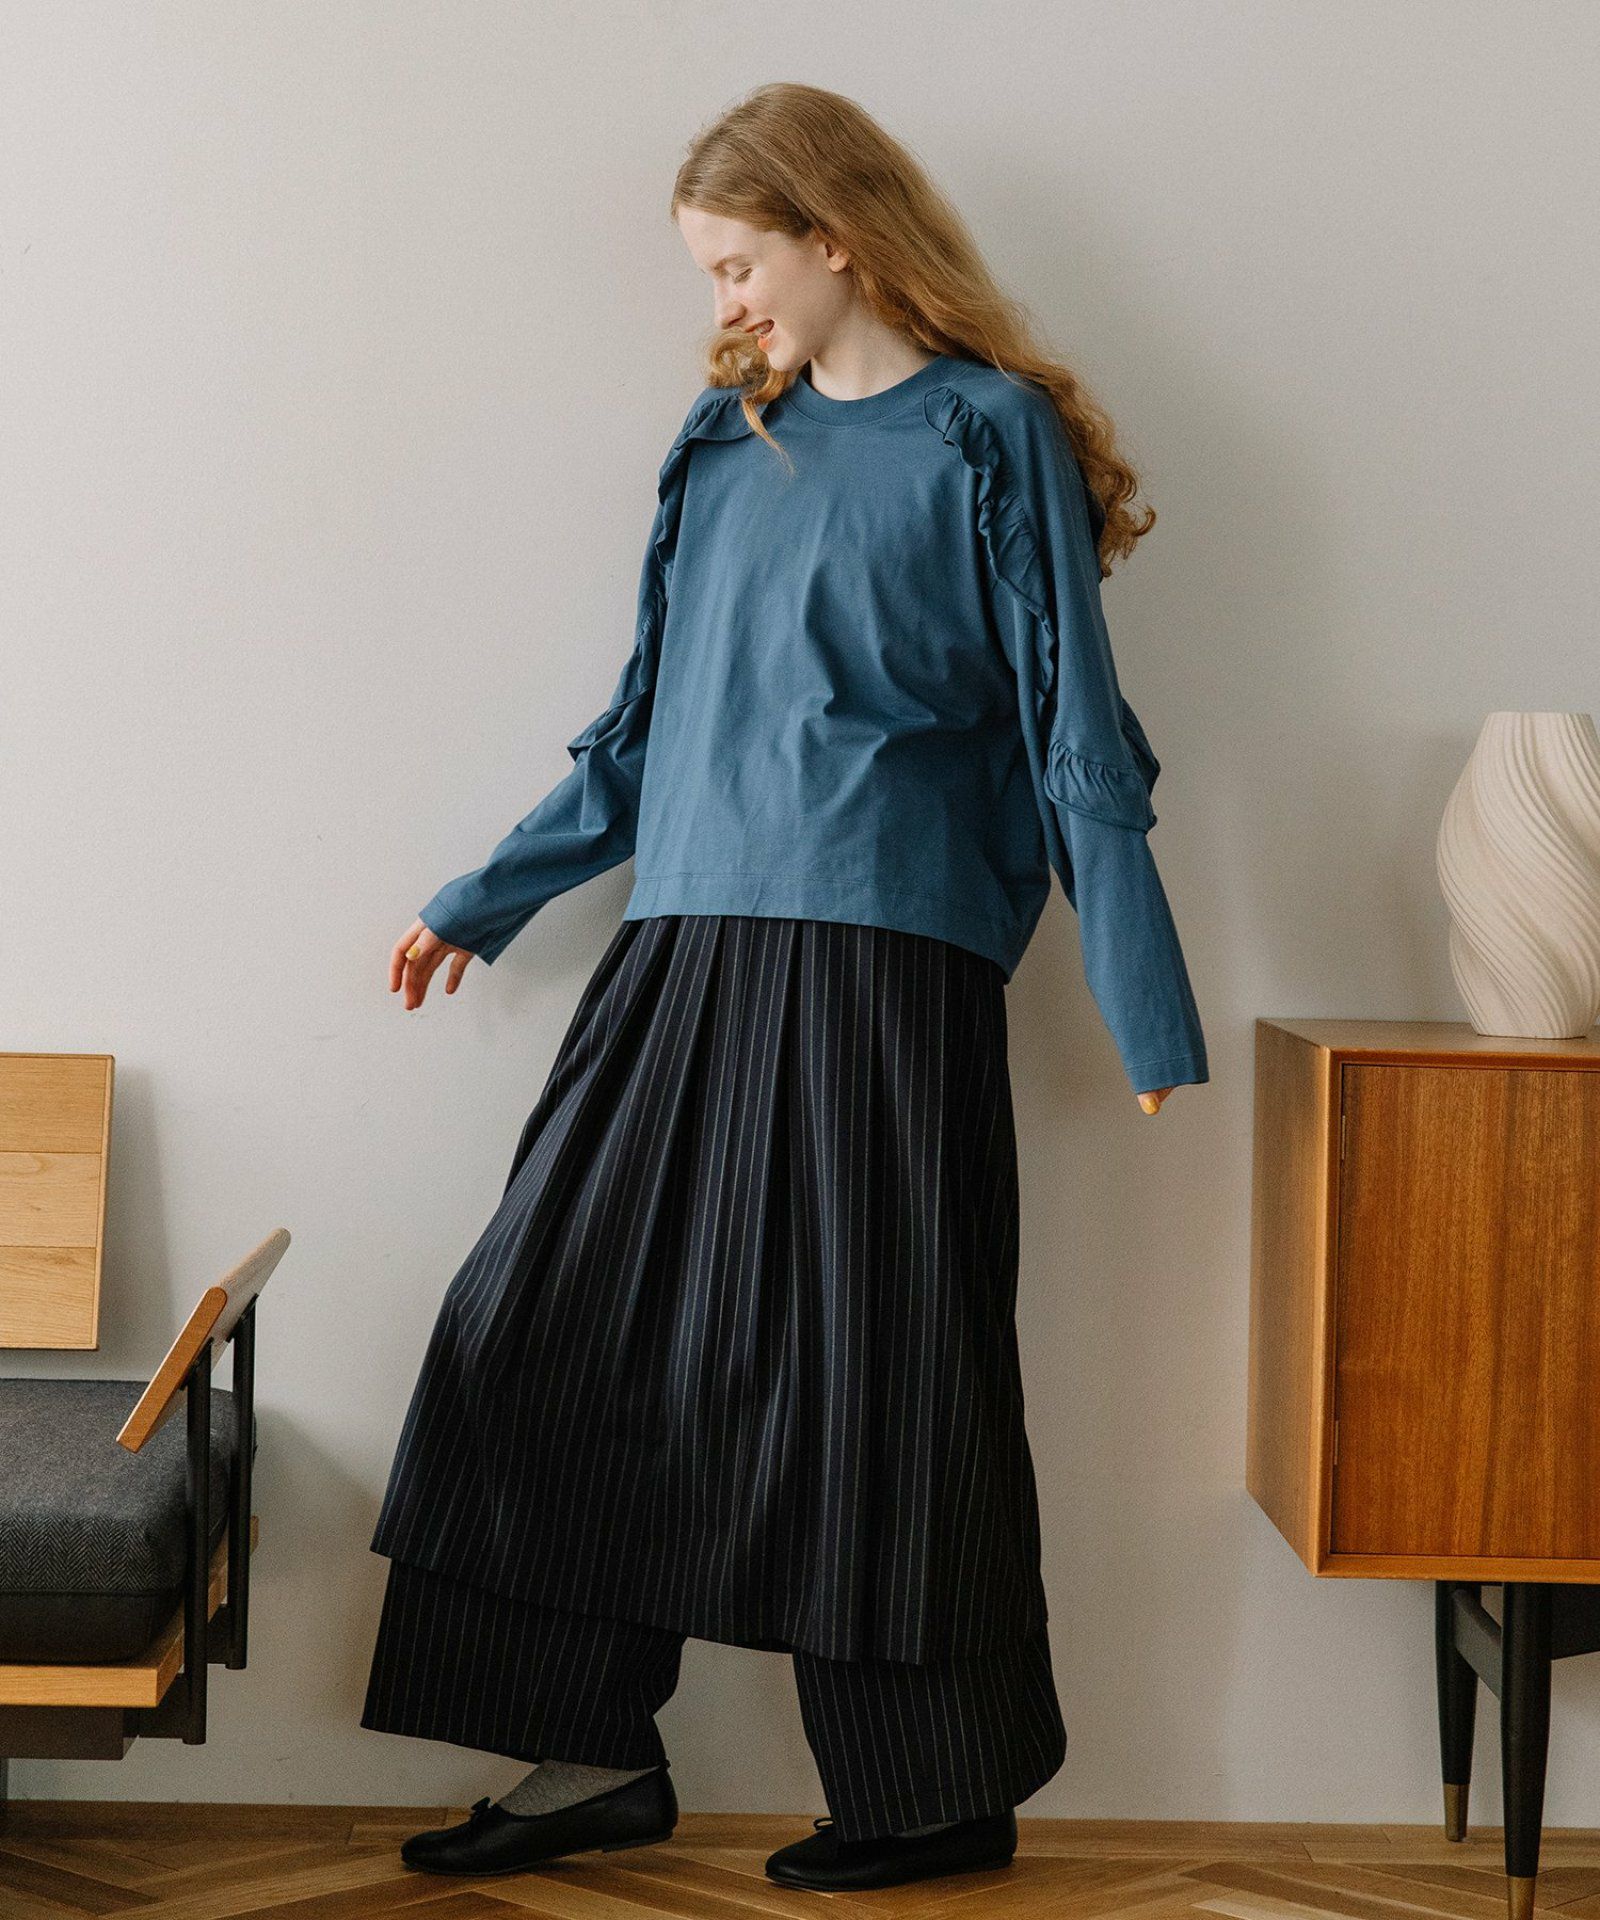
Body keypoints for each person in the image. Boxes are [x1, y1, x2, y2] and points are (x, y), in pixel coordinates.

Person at [359, 80, 1209, 1894]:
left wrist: (1142, 999)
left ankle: (931, 1794)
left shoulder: (988, 434)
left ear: (840, 237)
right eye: (712, 274)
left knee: (877, 1380)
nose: (724, 302)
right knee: (545, 1332)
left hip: (888, 970)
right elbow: (643, 727)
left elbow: (1073, 726)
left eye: (740, 265)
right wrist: (479, 901)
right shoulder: (718, 443)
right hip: (683, 953)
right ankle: (594, 1753)